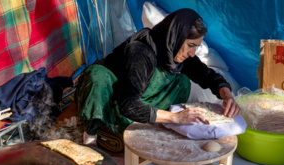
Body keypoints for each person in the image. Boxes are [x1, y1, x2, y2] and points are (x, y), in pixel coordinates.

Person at [75, 8, 241, 151]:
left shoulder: (174, 51)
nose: (192, 52)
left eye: (196, 47)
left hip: (139, 100)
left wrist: (227, 95)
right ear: (176, 36)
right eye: (191, 45)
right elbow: (127, 104)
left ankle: (149, 125)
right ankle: (93, 133)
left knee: (181, 82)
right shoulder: (141, 53)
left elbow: (207, 75)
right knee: (97, 75)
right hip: (112, 101)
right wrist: (175, 117)